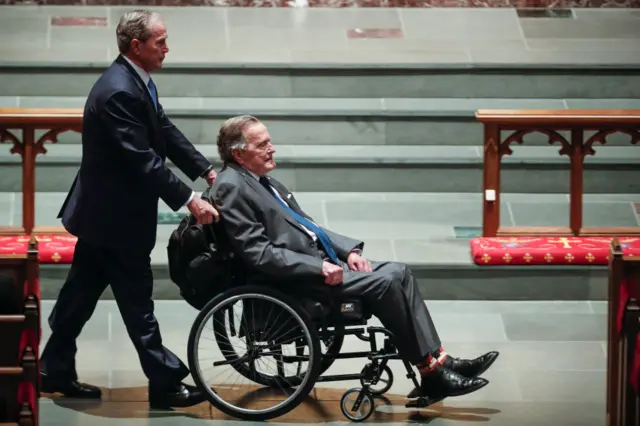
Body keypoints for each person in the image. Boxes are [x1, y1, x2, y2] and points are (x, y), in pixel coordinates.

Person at [207, 115, 499, 401]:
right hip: (295, 281)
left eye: (270, 142)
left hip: (315, 265)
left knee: (399, 272)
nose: (272, 148)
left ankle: (440, 359)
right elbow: (258, 254)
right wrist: (318, 266)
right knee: (385, 283)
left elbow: (310, 228)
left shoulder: (260, 180)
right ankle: (431, 371)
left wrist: (350, 252)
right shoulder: (232, 186)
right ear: (239, 153)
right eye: (263, 144)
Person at [39, 10, 218, 409]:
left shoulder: (134, 81)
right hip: (115, 220)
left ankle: (53, 368)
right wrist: (189, 199)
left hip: (104, 217)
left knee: (78, 297)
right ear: (136, 46)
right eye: (160, 42)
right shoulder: (119, 89)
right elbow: (143, 159)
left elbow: (163, 129)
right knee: (138, 303)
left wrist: (205, 170)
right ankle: (165, 381)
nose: (167, 48)